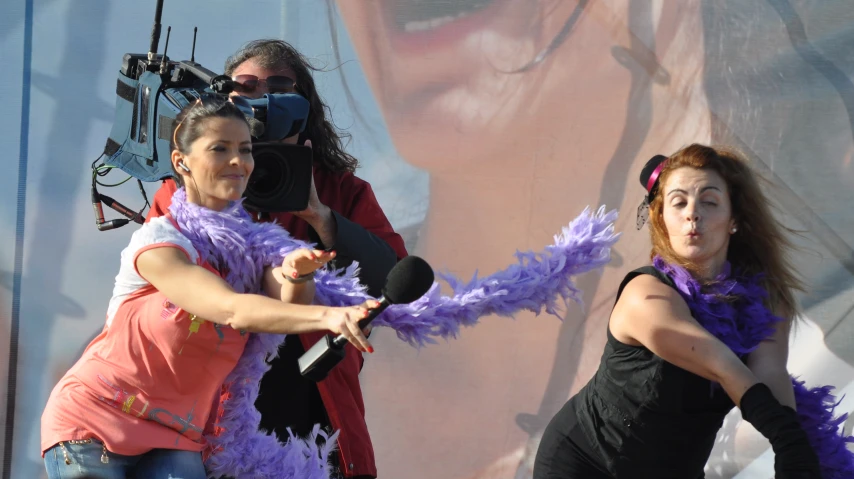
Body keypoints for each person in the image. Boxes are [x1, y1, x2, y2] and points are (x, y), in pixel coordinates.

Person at [41, 97, 377, 478]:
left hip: (177, 435)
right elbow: (231, 307)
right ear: (181, 162)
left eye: (245, 150)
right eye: (221, 149)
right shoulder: (161, 240)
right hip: (95, 421)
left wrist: (298, 275)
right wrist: (330, 316)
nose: (239, 161)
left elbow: (282, 305)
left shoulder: (251, 248)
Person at [145, 39, 406, 478]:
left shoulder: (341, 190)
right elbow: (159, 290)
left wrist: (322, 217)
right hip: (209, 419)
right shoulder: (186, 190)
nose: (261, 100)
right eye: (245, 87)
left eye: (279, 86)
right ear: (222, 101)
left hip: (314, 411)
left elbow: (396, 281)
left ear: (305, 103)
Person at [532, 144, 821, 478]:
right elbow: (722, 365)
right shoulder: (646, 295)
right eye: (678, 202)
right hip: (586, 465)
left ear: (734, 221)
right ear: (661, 218)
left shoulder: (765, 301)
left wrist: (797, 452)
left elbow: (769, 372)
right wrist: (787, 438)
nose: (692, 214)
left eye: (709, 202)